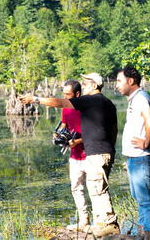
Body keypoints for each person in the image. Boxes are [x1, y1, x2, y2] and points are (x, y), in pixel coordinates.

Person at [20, 73, 120, 237]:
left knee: (97, 190)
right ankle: (100, 224)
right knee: (96, 188)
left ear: (95, 85)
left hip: (96, 152)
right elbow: (114, 129)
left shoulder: (91, 100)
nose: (84, 85)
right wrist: (111, 148)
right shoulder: (108, 103)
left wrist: (36, 99)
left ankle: (108, 224)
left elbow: (59, 103)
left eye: (86, 83)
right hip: (104, 150)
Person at [115, 66, 150, 240]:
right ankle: (143, 231)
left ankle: (148, 235)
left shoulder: (141, 98)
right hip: (134, 157)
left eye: (119, 81)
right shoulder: (135, 99)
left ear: (130, 81)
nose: (117, 85)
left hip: (141, 157)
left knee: (145, 198)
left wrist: (146, 142)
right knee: (139, 196)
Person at [58, 80, 89, 230]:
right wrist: (57, 134)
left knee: (96, 189)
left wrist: (77, 141)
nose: (65, 97)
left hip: (90, 155)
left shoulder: (86, 109)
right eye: (63, 94)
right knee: (76, 188)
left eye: (68, 94)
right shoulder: (65, 107)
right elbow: (64, 125)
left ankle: (101, 222)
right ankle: (84, 221)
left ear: (77, 94)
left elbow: (94, 133)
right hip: (74, 156)